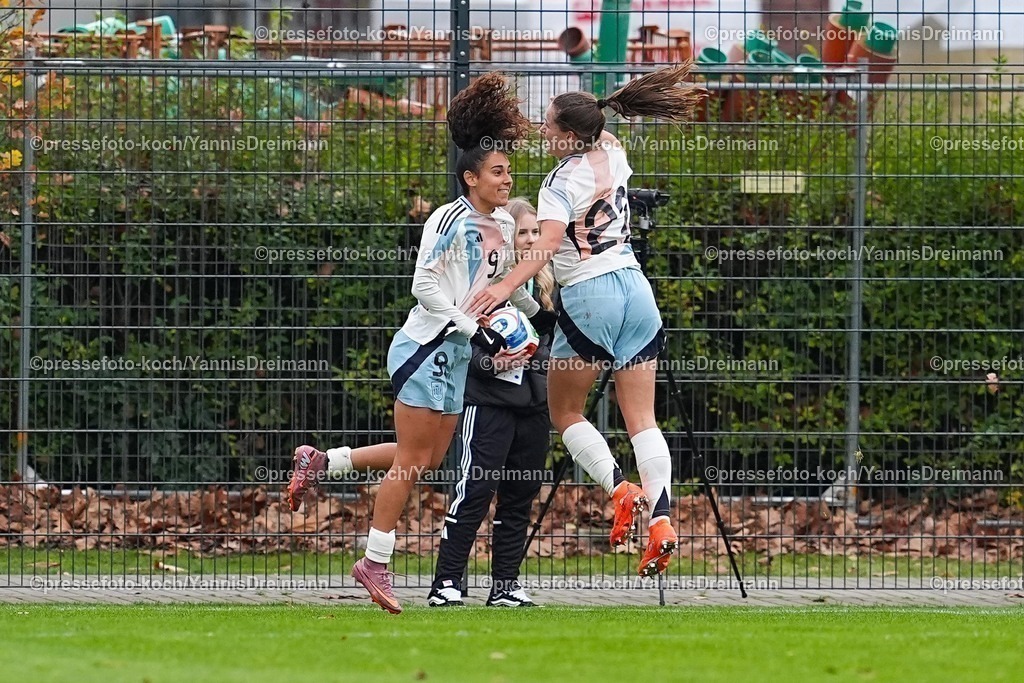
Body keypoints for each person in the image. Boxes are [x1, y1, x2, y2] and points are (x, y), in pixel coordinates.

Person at [285, 73, 557, 615]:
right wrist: (465, 324)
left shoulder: (502, 221)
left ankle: (323, 462)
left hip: (456, 355)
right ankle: (374, 562)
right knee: (412, 462)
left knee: (428, 460)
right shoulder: (450, 219)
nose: (508, 180)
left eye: (508, 171)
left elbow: (498, 290)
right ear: (470, 177)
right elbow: (424, 286)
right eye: (499, 173)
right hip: (427, 346)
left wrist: (539, 317)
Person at [469, 64, 705, 578]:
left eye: (550, 127)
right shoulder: (614, 151)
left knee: (566, 412)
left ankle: (621, 491)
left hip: (591, 293)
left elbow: (549, 246)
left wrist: (503, 288)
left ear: (570, 136)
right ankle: (663, 520)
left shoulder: (559, 181)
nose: (543, 131)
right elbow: (602, 133)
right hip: (636, 287)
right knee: (643, 419)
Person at [427, 197, 556, 608]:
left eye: (538, 232)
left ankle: (505, 585)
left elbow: (556, 340)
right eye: (523, 233)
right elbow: (463, 338)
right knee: (476, 489)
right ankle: (447, 582)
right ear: (507, 240)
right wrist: (491, 363)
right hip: (489, 401)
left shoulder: (547, 289)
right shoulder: (489, 286)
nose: (532, 239)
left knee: (520, 494)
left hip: (535, 406)